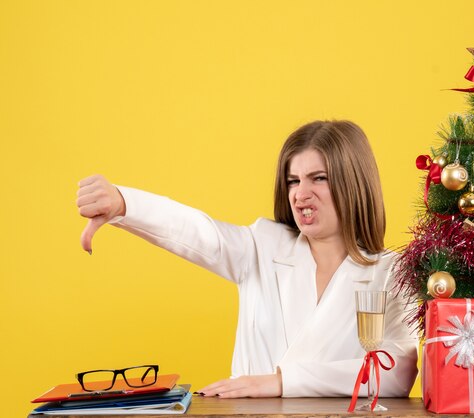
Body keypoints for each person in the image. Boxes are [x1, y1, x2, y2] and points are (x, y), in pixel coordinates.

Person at [76, 120, 418, 398]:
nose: (300, 194)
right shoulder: (263, 245)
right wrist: (124, 204)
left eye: (319, 178)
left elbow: (398, 371)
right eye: (293, 181)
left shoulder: (390, 272)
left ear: (354, 184)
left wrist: (281, 382)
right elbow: (196, 231)